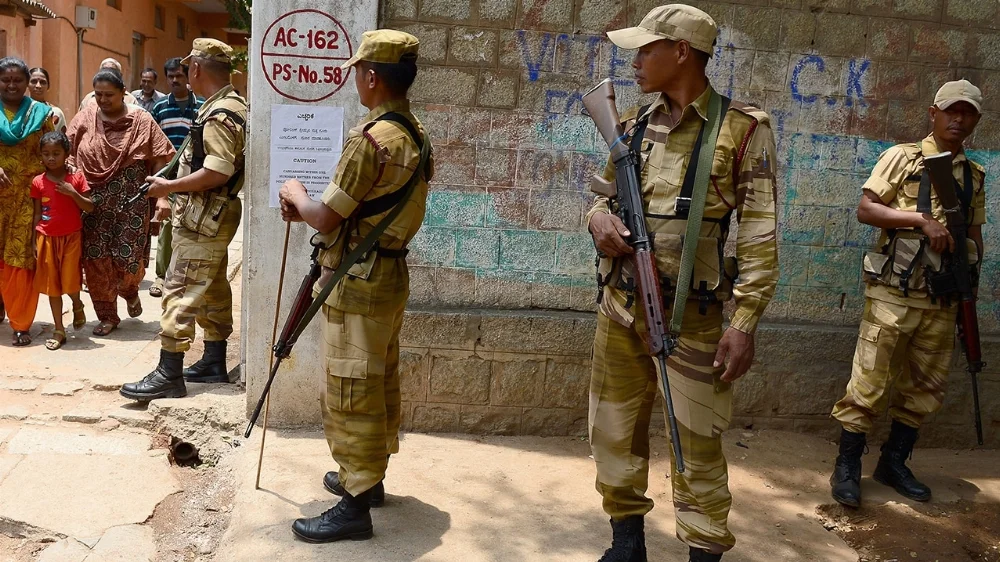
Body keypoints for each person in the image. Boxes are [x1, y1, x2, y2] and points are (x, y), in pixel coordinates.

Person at [586, 5, 779, 562]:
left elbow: (760, 237)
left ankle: (703, 550)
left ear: (682, 52)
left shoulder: (745, 130)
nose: (636, 60)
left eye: (647, 49)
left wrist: (744, 323)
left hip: (692, 318)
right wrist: (598, 221)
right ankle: (626, 543)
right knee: (613, 432)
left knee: (695, 445)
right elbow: (600, 199)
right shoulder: (633, 125)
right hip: (621, 308)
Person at [276, 29, 432, 543]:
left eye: (357, 73)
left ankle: (355, 505)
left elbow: (324, 216)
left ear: (371, 76)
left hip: (358, 280)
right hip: (389, 274)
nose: (355, 81)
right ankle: (369, 479)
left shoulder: (372, 141)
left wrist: (295, 193)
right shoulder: (415, 134)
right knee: (379, 380)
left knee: (351, 389)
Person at [829, 80, 986, 509]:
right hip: (893, 296)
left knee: (924, 389)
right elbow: (867, 209)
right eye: (951, 111)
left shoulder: (973, 176)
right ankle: (846, 466)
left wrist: (968, 287)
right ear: (933, 113)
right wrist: (920, 221)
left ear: (975, 121)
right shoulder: (902, 158)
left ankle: (893, 463)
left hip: (941, 300)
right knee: (869, 383)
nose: (959, 119)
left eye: (968, 113)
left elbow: (974, 236)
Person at [119, 38, 247, 400]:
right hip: (211, 214)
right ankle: (213, 360)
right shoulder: (229, 105)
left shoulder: (220, 113)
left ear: (195, 69)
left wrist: (168, 187)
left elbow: (218, 170)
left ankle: (169, 372)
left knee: (180, 289)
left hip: (204, 214)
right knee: (213, 289)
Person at [67, 69, 174, 337]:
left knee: (128, 263)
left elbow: (162, 156)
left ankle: (129, 291)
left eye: (109, 95)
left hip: (132, 201)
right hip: (93, 201)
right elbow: (66, 147)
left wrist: (162, 196)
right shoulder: (86, 115)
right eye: (98, 94)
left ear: (123, 93)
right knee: (95, 260)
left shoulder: (141, 120)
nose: (102, 100)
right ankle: (107, 316)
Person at [0, 56, 54, 346]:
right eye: (5, 79)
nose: (11, 84)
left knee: (21, 260)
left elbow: (55, 150)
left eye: (17, 80)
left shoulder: (42, 115)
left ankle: (21, 323)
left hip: (27, 201)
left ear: (26, 82)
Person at [31, 131, 93, 350]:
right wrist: (33, 241)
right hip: (46, 238)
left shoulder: (75, 178)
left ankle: (77, 304)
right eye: (46, 154)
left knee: (70, 280)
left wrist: (72, 193)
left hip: (71, 237)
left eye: (56, 153)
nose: (51, 158)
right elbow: (37, 214)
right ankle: (59, 329)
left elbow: (89, 206)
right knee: (52, 286)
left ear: (66, 154)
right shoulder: (38, 182)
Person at [148, 57, 204, 298]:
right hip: (169, 177)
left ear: (188, 76)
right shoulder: (160, 108)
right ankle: (161, 277)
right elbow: (154, 144)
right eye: (170, 77)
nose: (174, 81)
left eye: (178, 76)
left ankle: (187, 277)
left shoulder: (202, 105)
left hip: (197, 175)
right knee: (167, 228)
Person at [27, 68, 67, 133]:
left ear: (48, 86)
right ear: (27, 84)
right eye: (34, 81)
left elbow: (63, 140)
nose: (38, 86)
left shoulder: (56, 113)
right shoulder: (19, 111)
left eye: (42, 82)